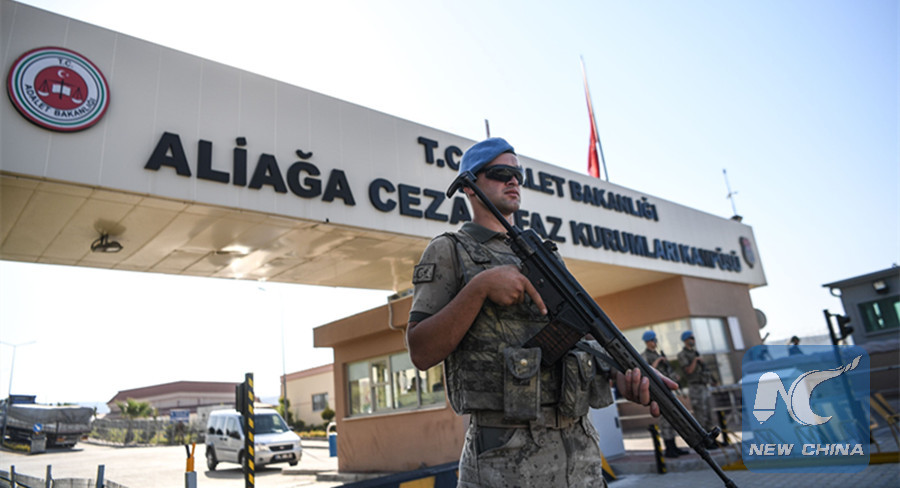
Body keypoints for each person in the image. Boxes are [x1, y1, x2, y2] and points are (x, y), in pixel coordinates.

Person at [406, 137, 677, 488]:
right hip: (506, 460)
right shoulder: (450, 250)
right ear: (469, 186)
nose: (513, 181)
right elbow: (421, 351)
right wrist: (479, 288)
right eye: (500, 173)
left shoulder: (545, 255)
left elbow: (582, 333)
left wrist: (621, 373)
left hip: (580, 454)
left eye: (518, 175)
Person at [640, 330, 688, 458]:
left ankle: (674, 446)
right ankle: (669, 448)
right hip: (658, 392)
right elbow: (647, 370)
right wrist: (658, 361)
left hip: (667, 391)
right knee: (665, 421)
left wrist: (674, 377)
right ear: (647, 342)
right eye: (652, 340)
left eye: (655, 340)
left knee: (672, 420)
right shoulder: (645, 355)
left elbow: (667, 371)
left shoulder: (658, 354)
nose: (654, 342)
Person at [677, 330, 718, 449]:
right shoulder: (683, 355)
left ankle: (712, 440)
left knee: (709, 414)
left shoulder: (696, 352)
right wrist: (695, 360)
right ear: (685, 340)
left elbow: (704, 369)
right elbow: (688, 371)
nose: (693, 340)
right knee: (700, 416)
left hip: (704, 386)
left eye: (693, 338)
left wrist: (712, 379)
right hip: (695, 387)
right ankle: (704, 442)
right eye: (691, 338)